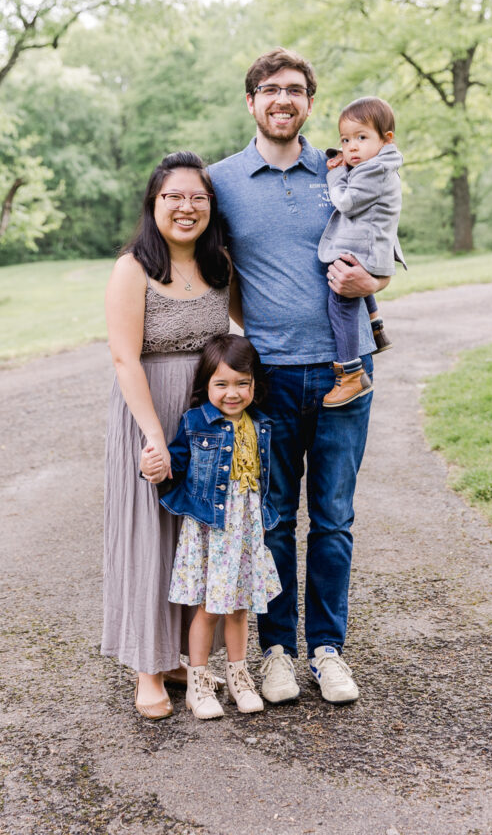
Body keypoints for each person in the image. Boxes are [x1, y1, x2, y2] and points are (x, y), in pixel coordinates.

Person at [208, 47, 402, 705]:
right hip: (267, 380)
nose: (281, 99)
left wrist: (371, 281)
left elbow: (385, 240)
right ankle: (275, 653)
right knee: (268, 522)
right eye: (269, 89)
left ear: (310, 103)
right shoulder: (222, 181)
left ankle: (326, 649)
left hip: (344, 376)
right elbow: (216, 272)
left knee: (333, 519)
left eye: (294, 89)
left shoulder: (344, 165)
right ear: (251, 102)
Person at [101, 150, 238, 721]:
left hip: (203, 419)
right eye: (173, 197)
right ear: (154, 203)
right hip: (149, 410)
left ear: (210, 206)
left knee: (195, 538)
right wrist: (155, 437)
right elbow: (123, 357)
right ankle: (147, 669)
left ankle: (183, 655)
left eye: (197, 198)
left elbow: (245, 335)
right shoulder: (133, 267)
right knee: (149, 535)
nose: (186, 207)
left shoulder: (220, 266)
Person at [141, 334, 281, 719]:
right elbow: (176, 465)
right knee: (208, 608)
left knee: (240, 609)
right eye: (222, 384)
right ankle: (199, 685)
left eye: (241, 383)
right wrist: (154, 468)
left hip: (246, 532)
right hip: (212, 531)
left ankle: (239, 677)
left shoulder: (261, 425)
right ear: (206, 386)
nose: (232, 393)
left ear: (254, 385)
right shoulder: (196, 423)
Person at [318, 96, 405, 408]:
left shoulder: (374, 170)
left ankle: (350, 374)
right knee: (347, 279)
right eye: (345, 140)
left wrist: (335, 174)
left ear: (386, 139)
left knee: (339, 301)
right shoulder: (378, 164)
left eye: (361, 138)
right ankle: (375, 325)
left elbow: (346, 202)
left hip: (365, 250)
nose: (350, 147)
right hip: (371, 247)